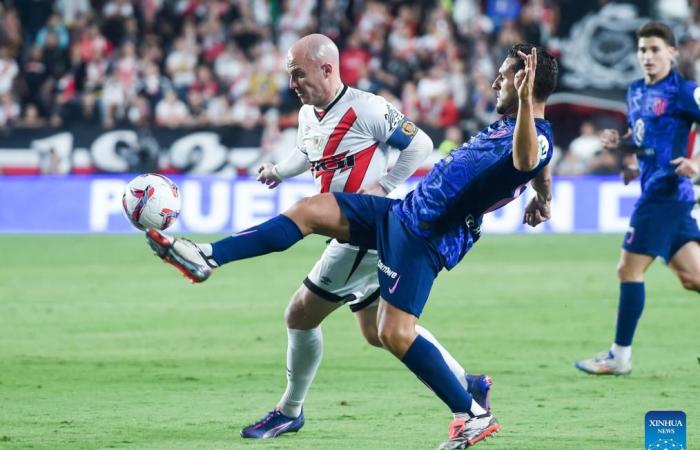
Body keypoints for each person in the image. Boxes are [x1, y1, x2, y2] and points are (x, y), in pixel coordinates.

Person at [146, 44, 558, 449]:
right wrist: (544, 195)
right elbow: (534, 170)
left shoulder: (533, 134)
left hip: (428, 233)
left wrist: (525, 109)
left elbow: (527, 160)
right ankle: (208, 256)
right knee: (310, 211)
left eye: (503, 77)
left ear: (524, 82)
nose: (494, 83)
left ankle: (471, 414)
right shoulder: (512, 127)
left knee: (392, 333)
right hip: (404, 212)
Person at [241, 34, 492, 440]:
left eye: (297, 74)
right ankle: (469, 382)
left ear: (326, 69)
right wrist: (278, 172)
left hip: (360, 232)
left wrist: (386, 184)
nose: (292, 84)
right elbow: (307, 151)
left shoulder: (368, 107)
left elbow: (421, 143)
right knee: (379, 331)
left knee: (299, 315)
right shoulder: (310, 114)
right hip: (346, 230)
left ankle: (289, 410)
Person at [575, 22, 700, 376]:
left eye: (655, 49)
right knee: (693, 277)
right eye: (643, 49)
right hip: (660, 192)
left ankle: (619, 356)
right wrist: (626, 149)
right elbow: (646, 135)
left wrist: (695, 162)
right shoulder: (634, 91)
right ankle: (619, 356)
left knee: (628, 269)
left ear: (673, 53)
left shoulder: (684, 91)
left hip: (666, 193)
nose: (647, 56)